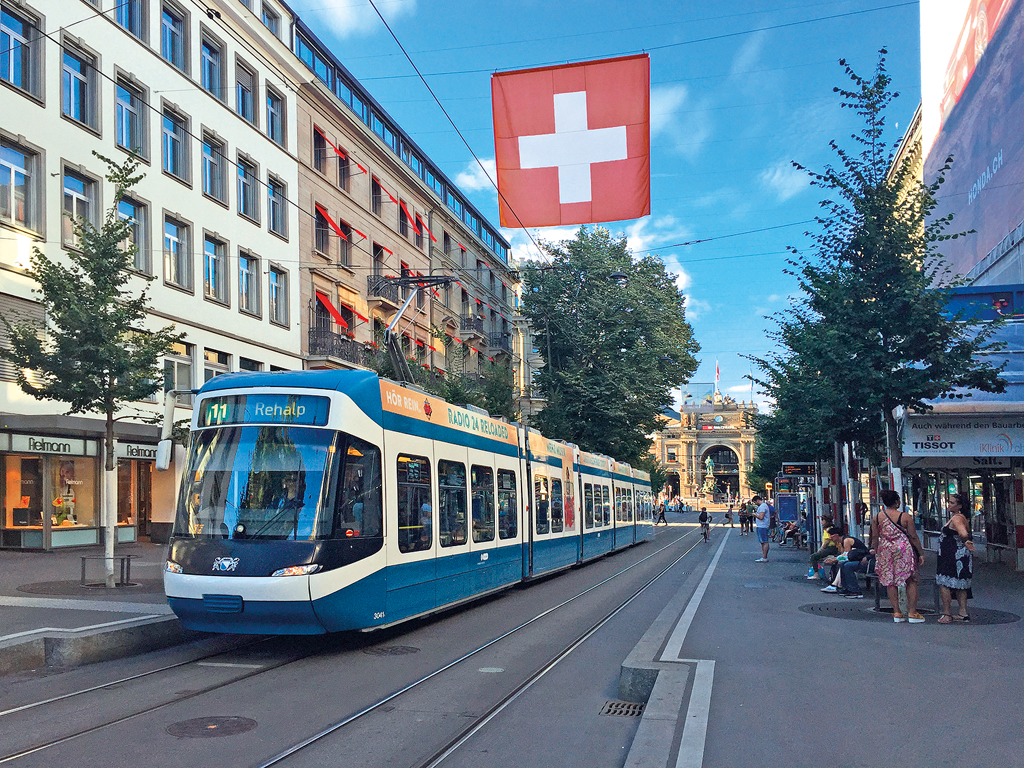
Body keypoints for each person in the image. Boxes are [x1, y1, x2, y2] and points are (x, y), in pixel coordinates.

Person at [871, 489, 926, 623]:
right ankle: (912, 612)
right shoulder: (905, 517)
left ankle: (897, 612)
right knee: (910, 579)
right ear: (897, 502)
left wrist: (876, 551)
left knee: (890, 581)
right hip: (903, 549)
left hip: (885, 550)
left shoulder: (877, 517)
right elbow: (913, 537)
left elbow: (874, 537)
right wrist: (920, 553)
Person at [936, 492, 975, 623]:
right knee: (961, 584)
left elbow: (963, 532)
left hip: (951, 556)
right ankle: (963, 612)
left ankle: (947, 613)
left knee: (945, 583)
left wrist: (965, 539)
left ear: (959, 506)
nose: (949, 505)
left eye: (952, 503)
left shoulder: (957, 519)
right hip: (961, 555)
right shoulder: (962, 517)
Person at [820, 527, 870, 594]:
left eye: (831, 536)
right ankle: (838, 585)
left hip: (863, 560)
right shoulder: (843, 541)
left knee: (845, 564)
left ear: (836, 535)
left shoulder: (847, 540)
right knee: (843, 563)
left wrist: (834, 559)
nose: (830, 538)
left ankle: (837, 585)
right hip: (858, 559)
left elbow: (847, 556)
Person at [753, 495, 771, 561]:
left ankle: (764, 557)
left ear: (758, 500)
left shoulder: (763, 506)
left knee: (764, 541)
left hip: (762, 526)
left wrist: (755, 515)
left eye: (755, 502)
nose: (755, 504)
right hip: (762, 526)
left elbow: (761, 517)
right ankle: (764, 556)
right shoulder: (763, 506)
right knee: (763, 542)